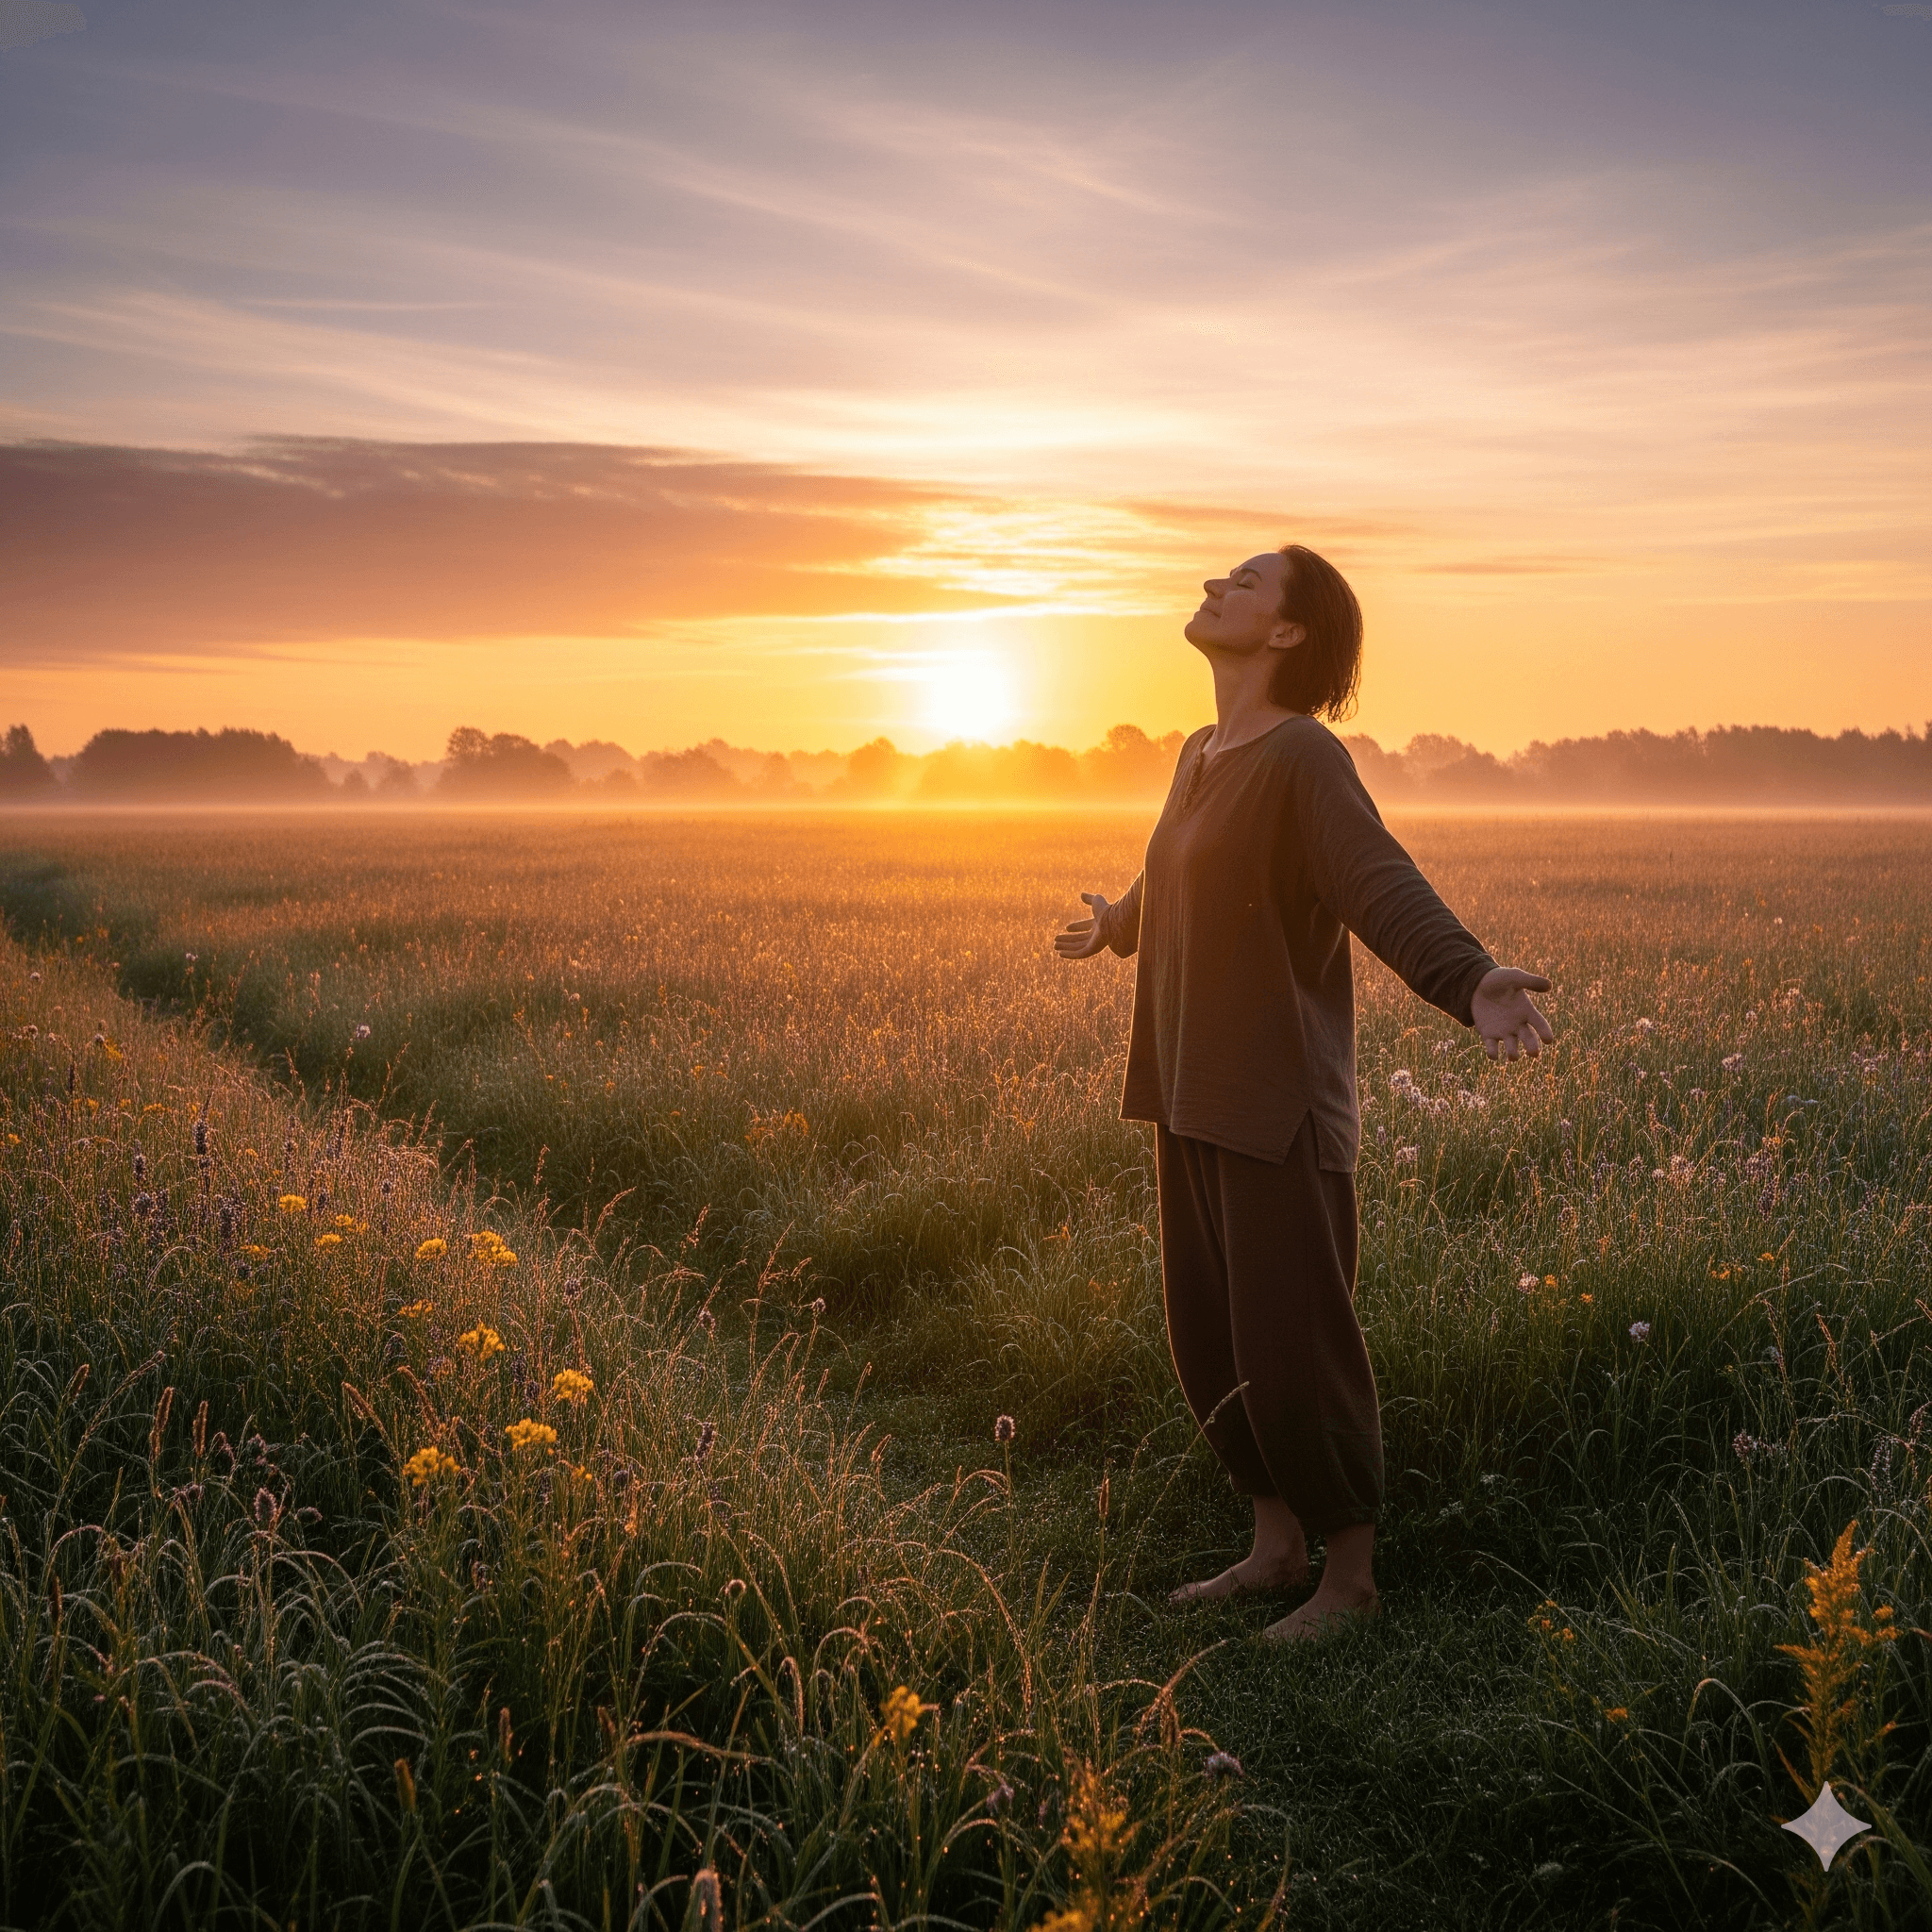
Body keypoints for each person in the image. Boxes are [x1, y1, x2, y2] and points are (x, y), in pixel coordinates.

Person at [1055, 543, 1553, 1642]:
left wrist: (1466, 977)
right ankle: (1274, 1546)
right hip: (1185, 1084)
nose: (1213, 585)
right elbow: (1178, 863)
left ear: (1286, 633)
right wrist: (1117, 923)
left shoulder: (1302, 757)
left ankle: (1348, 1577)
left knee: (1293, 1344)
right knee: (1211, 1338)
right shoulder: (1200, 752)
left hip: (1276, 1100)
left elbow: (1374, 879)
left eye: (1245, 581)